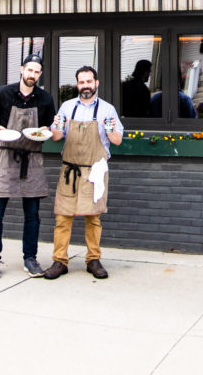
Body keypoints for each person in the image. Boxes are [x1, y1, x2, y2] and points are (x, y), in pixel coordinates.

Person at [43, 65, 123, 280]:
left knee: (93, 217)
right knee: (62, 217)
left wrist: (109, 129)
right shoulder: (67, 108)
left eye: (89, 81)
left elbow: (116, 140)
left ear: (96, 83)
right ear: (77, 84)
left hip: (95, 170)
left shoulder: (107, 110)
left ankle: (93, 259)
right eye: (81, 82)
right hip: (70, 168)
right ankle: (59, 261)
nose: (85, 86)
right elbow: (56, 137)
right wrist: (56, 127)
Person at [0, 53, 56, 279]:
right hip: (5, 156)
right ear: (22, 69)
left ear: (40, 74)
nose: (32, 75)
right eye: (29, 70)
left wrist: (44, 130)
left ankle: (30, 258)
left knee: (32, 214)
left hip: (32, 157)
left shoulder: (45, 98)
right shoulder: (3, 93)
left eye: (37, 72)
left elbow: (49, 124)